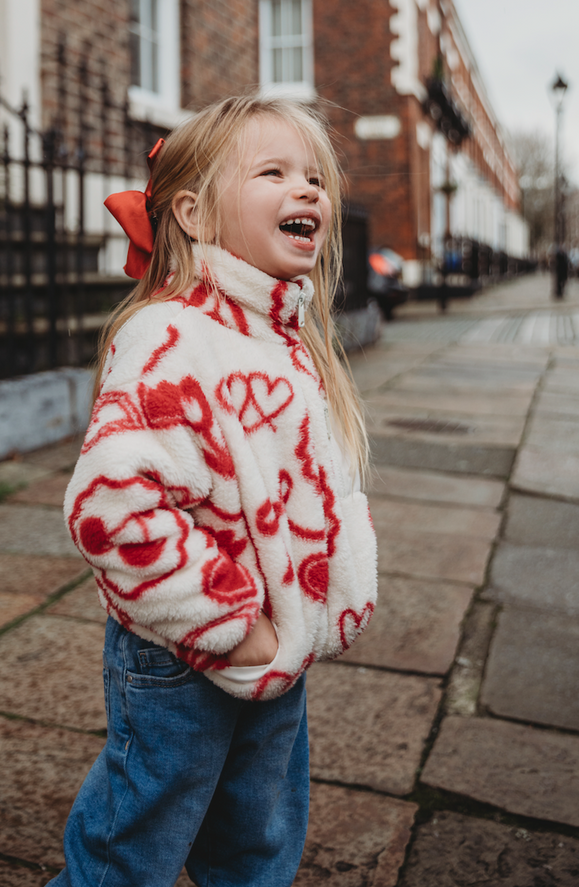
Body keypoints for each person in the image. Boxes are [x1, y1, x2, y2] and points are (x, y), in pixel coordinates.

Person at [48, 96, 377, 887]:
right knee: (137, 842)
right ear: (193, 213)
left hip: (277, 644)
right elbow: (112, 507)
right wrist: (232, 624)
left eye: (314, 177)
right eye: (274, 173)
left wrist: (286, 625)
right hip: (185, 655)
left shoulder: (275, 329)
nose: (308, 192)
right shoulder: (171, 335)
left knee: (257, 837)